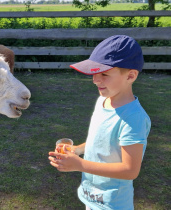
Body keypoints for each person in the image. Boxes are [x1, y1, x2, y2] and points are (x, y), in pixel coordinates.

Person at [48, 35, 151, 210]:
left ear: (131, 76)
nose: (96, 80)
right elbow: (101, 141)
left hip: (112, 204)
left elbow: (130, 170)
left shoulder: (134, 119)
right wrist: (78, 149)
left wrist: (79, 165)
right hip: (91, 197)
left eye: (104, 74)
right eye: (95, 72)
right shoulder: (103, 101)